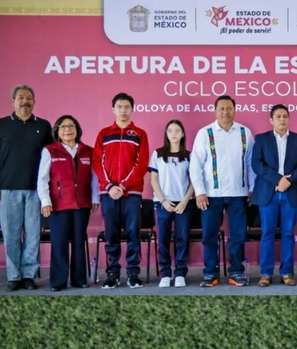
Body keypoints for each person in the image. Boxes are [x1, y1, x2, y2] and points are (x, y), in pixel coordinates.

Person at [0, 84, 52, 291]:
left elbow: (50, 159)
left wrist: (46, 193)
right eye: (21, 98)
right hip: (7, 189)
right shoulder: (0, 125)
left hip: (35, 191)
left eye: (29, 98)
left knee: (33, 235)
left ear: (34, 101)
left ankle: (28, 275)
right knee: (11, 234)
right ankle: (14, 276)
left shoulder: (43, 125)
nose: (25, 102)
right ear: (13, 101)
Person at [189, 95, 256, 287]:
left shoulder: (245, 133)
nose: (225, 112)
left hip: (238, 194)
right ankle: (211, 273)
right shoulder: (205, 133)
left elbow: (251, 163)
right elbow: (196, 165)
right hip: (211, 195)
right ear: (215, 110)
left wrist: (251, 188)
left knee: (237, 235)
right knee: (209, 236)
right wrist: (200, 191)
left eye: (229, 108)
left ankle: (236, 272)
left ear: (234, 110)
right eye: (221, 109)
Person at [93, 92, 151, 289]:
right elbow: (97, 163)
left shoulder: (140, 134)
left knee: (133, 233)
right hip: (108, 193)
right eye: (119, 107)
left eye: (127, 107)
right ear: (113, 110)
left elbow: (141, 164)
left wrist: (124, 186)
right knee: (112, 234)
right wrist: (110, 186)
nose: (123, 111)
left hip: (132, 194)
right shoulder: (104, 134)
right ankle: (113, 274)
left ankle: (133, 273)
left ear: (132, 110)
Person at [251, 104, 297, 287]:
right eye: (278, 117)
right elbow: (257, 165)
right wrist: (278, 180)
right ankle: (266, 273)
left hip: (290, 192)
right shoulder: (261, 139)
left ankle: (287, 272)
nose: (282, 119)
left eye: (285, 116)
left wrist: (287, 181)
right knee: (267, 233)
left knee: (288, 234)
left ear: (289, 118)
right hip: (269, 193)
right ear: (271, 120)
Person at [38, 115, 98, 292]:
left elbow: (94, 178)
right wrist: (45, 201)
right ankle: (58, 281)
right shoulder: (50, 151)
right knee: (59, 243)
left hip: (82, 205)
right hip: (58, 205)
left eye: (71, 126)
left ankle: (79, 280)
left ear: (77, 130)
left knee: (79, 242)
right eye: (63, 127)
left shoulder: (88, 150)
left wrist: (94, 198)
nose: (67, 129)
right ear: (57, 131)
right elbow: (42, 179)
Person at [149, 119, 194, 288]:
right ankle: (166, 273)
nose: (173, 134)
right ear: (166, 134)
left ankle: (180, 272)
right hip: (163, 203)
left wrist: (184, 201)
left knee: (183, 238)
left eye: (177, 130)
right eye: (170, 130)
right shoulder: (158, 154)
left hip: (183, 202)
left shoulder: (189, 155)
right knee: (163, 239)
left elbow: (194, 182)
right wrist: (163, 200)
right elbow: (154, 180)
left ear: (182, 134)